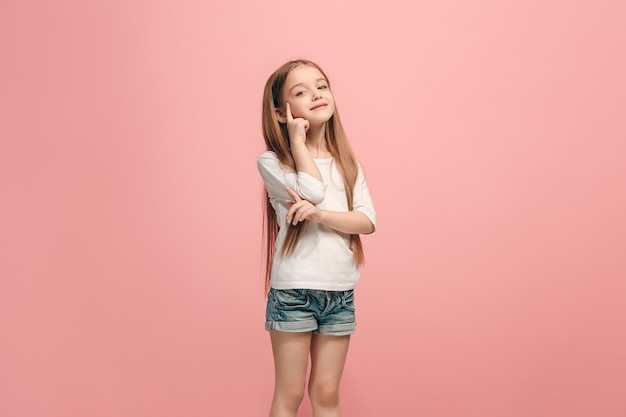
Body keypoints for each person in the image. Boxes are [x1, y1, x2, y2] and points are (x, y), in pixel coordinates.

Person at [257, 59, 377, 417]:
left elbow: (367, 221)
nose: (316, 95)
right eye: (300, 92)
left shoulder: (348, 163)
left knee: (326, 393)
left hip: (339, 291)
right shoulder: (273, 162)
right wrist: (297, 140)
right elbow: (312, 188)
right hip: (294, 291)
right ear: (282, 113)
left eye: (321, 86)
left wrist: (319, 216)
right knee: (290, 393)